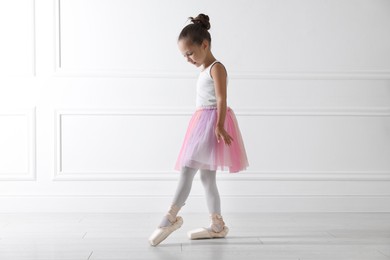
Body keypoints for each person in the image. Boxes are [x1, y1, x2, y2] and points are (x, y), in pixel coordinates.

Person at [149, 13, 249, 246]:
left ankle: (170, 217)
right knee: (206, 177)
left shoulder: (217, 68)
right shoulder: (203, 70)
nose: (187, 59)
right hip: (202, 122)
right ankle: (217, 225)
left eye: (190, 53)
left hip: (212, 123)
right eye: (184, 55)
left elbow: (222, 98)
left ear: (204, 44)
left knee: (187, 168)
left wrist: (220, 125)